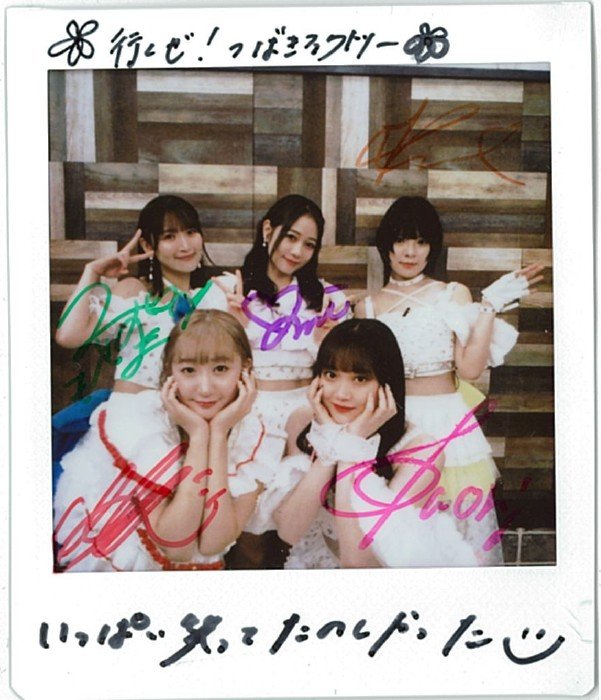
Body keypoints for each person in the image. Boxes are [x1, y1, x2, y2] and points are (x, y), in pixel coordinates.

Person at [354, 196, 544, 564]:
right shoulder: (368, 306)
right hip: (394, 423)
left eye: (421, 241)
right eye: (401, 240)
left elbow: (470, 369)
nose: (410, 251)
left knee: (456, 533)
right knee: (400, 530)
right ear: (387, 244)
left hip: (446, 421)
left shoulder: (451, 293)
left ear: (432, 247)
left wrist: (489, 306)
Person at [54, 309, 274, 571]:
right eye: (189, 370)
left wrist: (216, 435)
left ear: (245, 369)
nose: (205, 388)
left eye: (221, 369)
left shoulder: (254, 433)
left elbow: (213, 544)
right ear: (170, 371)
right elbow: (177, 547)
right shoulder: (143, 424)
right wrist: (198, 435)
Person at [211, 194, 351, 568]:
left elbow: (345, 368)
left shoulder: (325, 299)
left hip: (306, 416)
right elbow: (204, 357)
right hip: (250, 415)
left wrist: (324, 342)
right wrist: (235, 328)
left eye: (309, 244)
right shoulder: (231, 288)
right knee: (250, 532)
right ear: (268, 230)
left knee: (302, 529)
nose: (297, 251)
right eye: (290, 237)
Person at [52, 195, 228, 490]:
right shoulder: (136, 291)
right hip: (135, 424)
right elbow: (69, 337)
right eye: (169, 236)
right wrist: (92, 273)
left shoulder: (214, 297)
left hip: (190, 425)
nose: (185, 245)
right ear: (148, 245)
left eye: (190, 232)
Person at [272, 319, 478, 568]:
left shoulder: (422, 452)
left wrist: (352, 448)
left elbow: (358, 560)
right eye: (331, 375)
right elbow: (289, 531)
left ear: (386, 384)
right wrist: (329, 448)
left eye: (360, 379)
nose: (341, 394)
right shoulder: (303, 421)